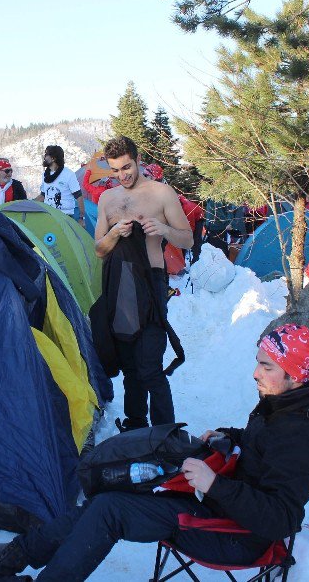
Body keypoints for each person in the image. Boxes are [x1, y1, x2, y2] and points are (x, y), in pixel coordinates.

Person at [0, 324, 309, 582]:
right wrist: (231, 435)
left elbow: (282, 518)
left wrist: (216, 486)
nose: (256, 373)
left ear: (295, 375)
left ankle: (18, 564)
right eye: (258, 363)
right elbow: (265, 446)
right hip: (222, 507)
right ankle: (13, 559)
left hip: (235, 535)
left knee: (110, 510)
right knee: (117, 489)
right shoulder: (286, 403)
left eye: (267, 366)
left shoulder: (302, 433)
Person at [94, 136, 192, 430]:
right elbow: (99, 249)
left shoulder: (162, 193)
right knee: (130, 366)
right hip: (121, 285)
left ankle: (165, 432)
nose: (122, 175)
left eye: (127, 167)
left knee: (150, 366)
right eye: (115, 170)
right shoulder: (107, 199)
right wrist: (114, 234)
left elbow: (186, 237)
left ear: (137, 160)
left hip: (151, 283)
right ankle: (136, 423)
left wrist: (162, 228)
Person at [36, 145, 86, 227]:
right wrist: (29, 203)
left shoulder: (68, 174)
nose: (44, 157)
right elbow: (43, 195)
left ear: (53, 158)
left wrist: (81, 218)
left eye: (46, 155)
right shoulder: (45, 175)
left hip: (65, 217)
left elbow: (79, 196)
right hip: (48, 216)